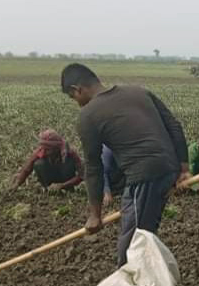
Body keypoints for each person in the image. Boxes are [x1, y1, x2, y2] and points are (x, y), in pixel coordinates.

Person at [61, 63, 191, 266]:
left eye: (73, 98)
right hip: (167, 167)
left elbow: (93, 167)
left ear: (77, 89)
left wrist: (95, 215)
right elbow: (174, 126)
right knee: (144, 232)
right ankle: (148, 282)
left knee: (131, 244)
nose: (77, 103)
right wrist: (183, 168)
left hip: (145, 175)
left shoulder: (88, 116)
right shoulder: (138, 92)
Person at [11, 129, 84, 192]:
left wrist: (62, 185)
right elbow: (27, 169)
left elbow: (82, 175)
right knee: (38, 164)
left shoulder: (70, 152)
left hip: (65, 180)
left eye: (48, 149)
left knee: (69, 163)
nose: (45, 152)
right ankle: (48, 188)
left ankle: (67, 188)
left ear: (56, 148)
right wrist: (17, 184)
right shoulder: (41, 151)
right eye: (44, 149)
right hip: (51, 178)